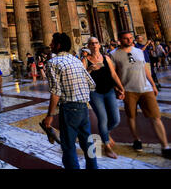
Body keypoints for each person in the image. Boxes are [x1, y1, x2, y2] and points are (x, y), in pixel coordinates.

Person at [110, 31, 171, 159]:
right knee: (131, 116)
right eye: (126, 39)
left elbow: (144, 68)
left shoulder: (138, 51)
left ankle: (165, 146)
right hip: (128, 90)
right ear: (119, 40)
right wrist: (118, 88)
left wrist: (153, 84)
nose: (129, 40)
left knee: (156, 117)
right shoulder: (113, 54)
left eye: (131, 38)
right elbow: (113, 74)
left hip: (145, 88)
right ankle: (136, 139)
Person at [43, 32, 98, 169]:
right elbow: (91, 84)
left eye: (52, 43)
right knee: (88, 143)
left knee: (68, 146)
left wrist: (50, 115)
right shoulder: (76, 60)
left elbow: (56, 92)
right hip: (83, 107)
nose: (50, 45)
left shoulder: (52, 63)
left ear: (58, 45)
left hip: (69, 108)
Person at [83, 37, 125, 159]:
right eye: (91, 43)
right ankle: (107, 147)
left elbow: (113, 74)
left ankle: (104, 134)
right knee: (103, 118)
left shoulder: (106, 58)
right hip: (95, 93)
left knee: (116, 119)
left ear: (99, 45)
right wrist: (90, 69)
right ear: (89, 46)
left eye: (96, 43)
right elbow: (82, 77)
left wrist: (121, 87)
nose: (94, 45)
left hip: (109, 91)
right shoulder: (85, 60)